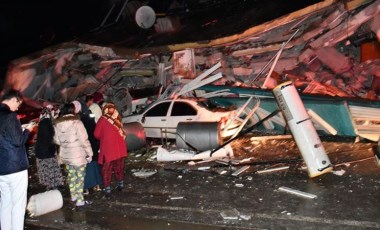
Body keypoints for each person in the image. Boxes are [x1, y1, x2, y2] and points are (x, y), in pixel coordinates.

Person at [0, 89, 34, 230]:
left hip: (2, 168)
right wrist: (28, 130)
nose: (17, 108)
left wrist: (20, 128)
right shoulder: (10, 115)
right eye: (18, 104)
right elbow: (18, 141)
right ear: (14, 99)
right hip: (15, 167)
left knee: (5, 203)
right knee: (18, 204)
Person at [53, 103, 93, 210]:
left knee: (71, 176)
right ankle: (80, 202)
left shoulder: (57, 124)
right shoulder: (77, 123)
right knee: (80, 178)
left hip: (66, 156)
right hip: (78, 156)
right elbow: (84, 140)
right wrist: (90, 153)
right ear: (72, 110)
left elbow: (56, 140)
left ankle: (74, 196)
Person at [94, 102, 127, 199]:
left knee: (106, 170)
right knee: (119, 167)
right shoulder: (118, 117)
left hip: (108, 149)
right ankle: (120, 184)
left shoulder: (102, 119)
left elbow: (96, 134)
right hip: (120, 148)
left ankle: (107, 189)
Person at [72, 100, 102, 195]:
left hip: (86, 144)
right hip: (93, 142)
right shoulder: (89, 114)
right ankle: (97, 184)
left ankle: (87, 186)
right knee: (94, 163)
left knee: (87, 166)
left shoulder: (80, 119)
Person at [34, 104, 64, 190]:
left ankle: (48, 184)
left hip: (41, 151)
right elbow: (51, 136)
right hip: (47, 151)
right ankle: (53, 185)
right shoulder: (47, 123)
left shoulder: (42, 122)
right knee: (51, 167)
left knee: (46, 169)